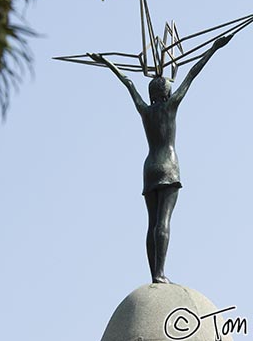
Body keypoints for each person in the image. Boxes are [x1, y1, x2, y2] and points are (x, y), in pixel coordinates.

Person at [89, 34, 232, 283]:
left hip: (149, 168)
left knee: (151, 223)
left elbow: (128, 83)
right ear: (167, 92)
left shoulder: (145, 111)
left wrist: (106, 63)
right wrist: (213, 48)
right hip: (168, 166)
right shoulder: (171, 106)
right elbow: (192, 74)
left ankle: (154, 273)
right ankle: (160, 273)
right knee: (163, 222)